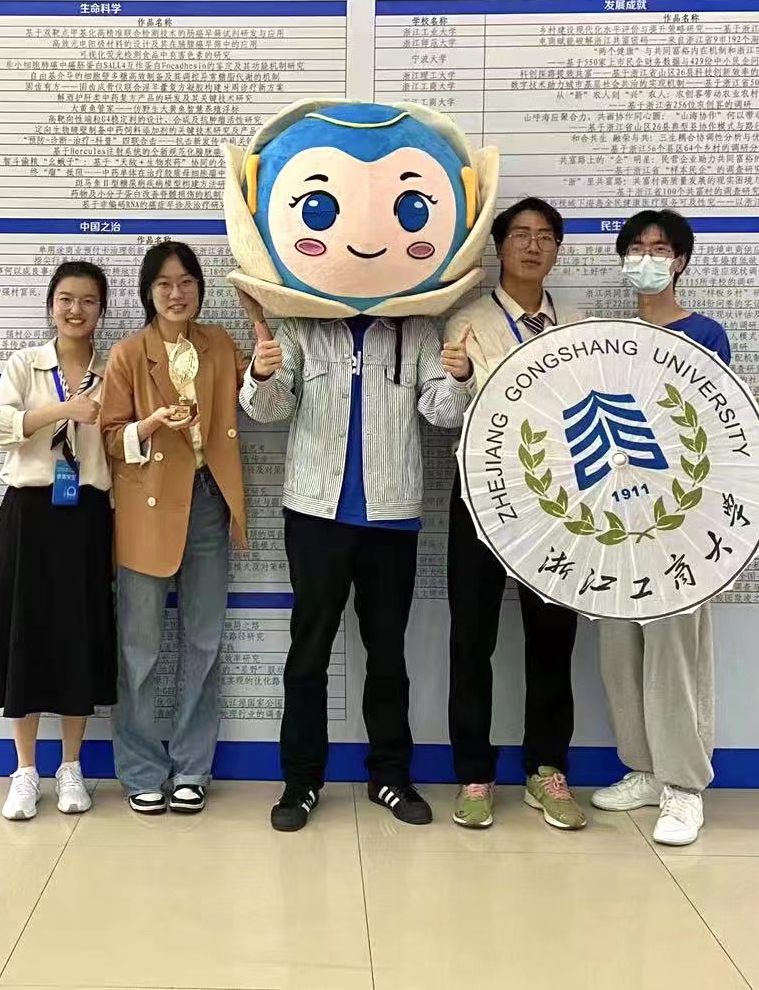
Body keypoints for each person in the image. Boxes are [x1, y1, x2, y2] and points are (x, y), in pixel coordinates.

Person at [243, 296, 473, 832]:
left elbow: (443, 414)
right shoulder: (302, 326)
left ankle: (390, 775)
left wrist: (459, 378)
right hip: (314, 514)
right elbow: (268, 409)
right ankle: (301, 780)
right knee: (308, 652)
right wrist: (261, 372)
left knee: (388, 653)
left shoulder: (416, 330)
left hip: (391, 518)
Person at [441, 197, 587, 831]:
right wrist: (457, 376)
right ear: (500, 246)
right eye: (521, 234)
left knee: (553, 639)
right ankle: (474, 774)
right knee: (472, 637)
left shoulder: (578, 325)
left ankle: (546, 769)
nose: (533, 246)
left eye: (546, 236)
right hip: (482, 496)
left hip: (560, 504)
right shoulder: (467, 322)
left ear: (556, 249)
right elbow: (446, 413)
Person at [591, 209, 731, 847]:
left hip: (681, 518)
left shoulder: (705, 335)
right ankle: (644, 769)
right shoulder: (610, 339)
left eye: (660, 249)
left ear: (680, 262)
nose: (647, 258)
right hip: (615, 517)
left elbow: (719, 426)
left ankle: (683, 785)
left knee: (675, 649)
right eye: (637, 248)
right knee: (619, 645)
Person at [100, 242, 247, 815]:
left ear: (200, 290)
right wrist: (149, 424)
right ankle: (140, 769)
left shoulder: (219, 345)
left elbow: (257, 396)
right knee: (138, 646)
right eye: (164, 284)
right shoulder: (128, 354)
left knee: (203, 640)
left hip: (208, 501)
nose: (176, 293)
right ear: (148, 293)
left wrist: (263, 352)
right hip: (147, 507)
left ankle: (191, 768)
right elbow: (109, 438)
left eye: (186, 282)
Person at [0, 261, 116, 821]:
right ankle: (25, 771)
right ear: (51, 305)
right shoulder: (25, 364)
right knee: (24, 636)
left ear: (101, 310)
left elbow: (119, 443)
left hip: (85, 515)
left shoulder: (114, 368)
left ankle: (71, 767)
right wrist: (64, 409)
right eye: (66, 299)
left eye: (87, 301)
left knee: (77, 635)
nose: (76, 310)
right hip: (29, 514)